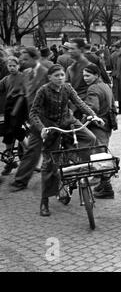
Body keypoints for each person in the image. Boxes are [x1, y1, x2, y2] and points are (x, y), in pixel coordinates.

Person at [29, 64, 103, 217]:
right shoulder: (43, 91)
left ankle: (82, 166)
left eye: (62, 75)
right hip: (51, 128)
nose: (60, 78)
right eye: (56, 76)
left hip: (69, 121)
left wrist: (93, 116)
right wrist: (42, 128)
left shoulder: (67, 88)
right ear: (50, 77)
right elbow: (33, 113)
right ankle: (44, 202)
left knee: (91, 137)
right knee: (48, 165)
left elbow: (79, 103)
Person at [8, 47, 49, 192]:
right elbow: (23, 94)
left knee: (36, 148)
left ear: (35, 58)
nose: (23, 62)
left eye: (26, 59)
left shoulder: (45, 72)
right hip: (33, 117)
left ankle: (21, 180)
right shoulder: (25, 74)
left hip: (46, 117)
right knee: (33, 148)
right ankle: (21, 180)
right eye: (22, 60)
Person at [82, 63, 116, 199]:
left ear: (96, 75)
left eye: (88, 75)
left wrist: (83, 121)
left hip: (98, 125)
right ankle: (103, 185)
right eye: (84, 75)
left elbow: (92, 108)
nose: (85, 78)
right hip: (108, 124)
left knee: (100, 156)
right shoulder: (106, 85)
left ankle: (107, 188)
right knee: (102, 153)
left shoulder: (93, 88)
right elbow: (112, 104)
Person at [0, 56, 28, 175]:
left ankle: (28, 155)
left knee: (18, 130)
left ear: (18, 66)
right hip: (9, 108)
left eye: (14, 66)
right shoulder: (6, 79)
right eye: (9, 66)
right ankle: (10, 161)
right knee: (7, 133)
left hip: (20, 107)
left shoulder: (23, 77)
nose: (11, 68)